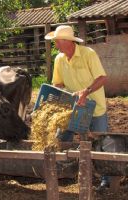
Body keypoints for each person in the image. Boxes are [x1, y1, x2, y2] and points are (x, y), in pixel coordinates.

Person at [45, 25, 109, 190]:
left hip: (95, 107)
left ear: (67, 41)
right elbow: (58, 83)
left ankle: (105, 179)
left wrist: (86, 92)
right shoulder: (59, 59)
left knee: (100, 143)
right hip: (73, 107)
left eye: (57, 42)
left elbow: (102, 78)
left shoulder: (88, 54)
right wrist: (57, 96)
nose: (56, 45)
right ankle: (62, 172)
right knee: (62, 137)